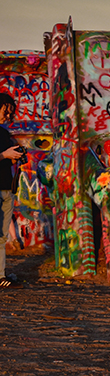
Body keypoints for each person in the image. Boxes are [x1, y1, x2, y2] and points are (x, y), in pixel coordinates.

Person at [0, 93, 23, 288]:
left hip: (7, 187)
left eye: (9, 112)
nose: (7, 116)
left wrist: (15, 156)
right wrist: (3, 154)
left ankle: (1, 276)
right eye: (5, 111)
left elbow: (8, 157)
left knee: (1, 236)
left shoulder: (4, 133)